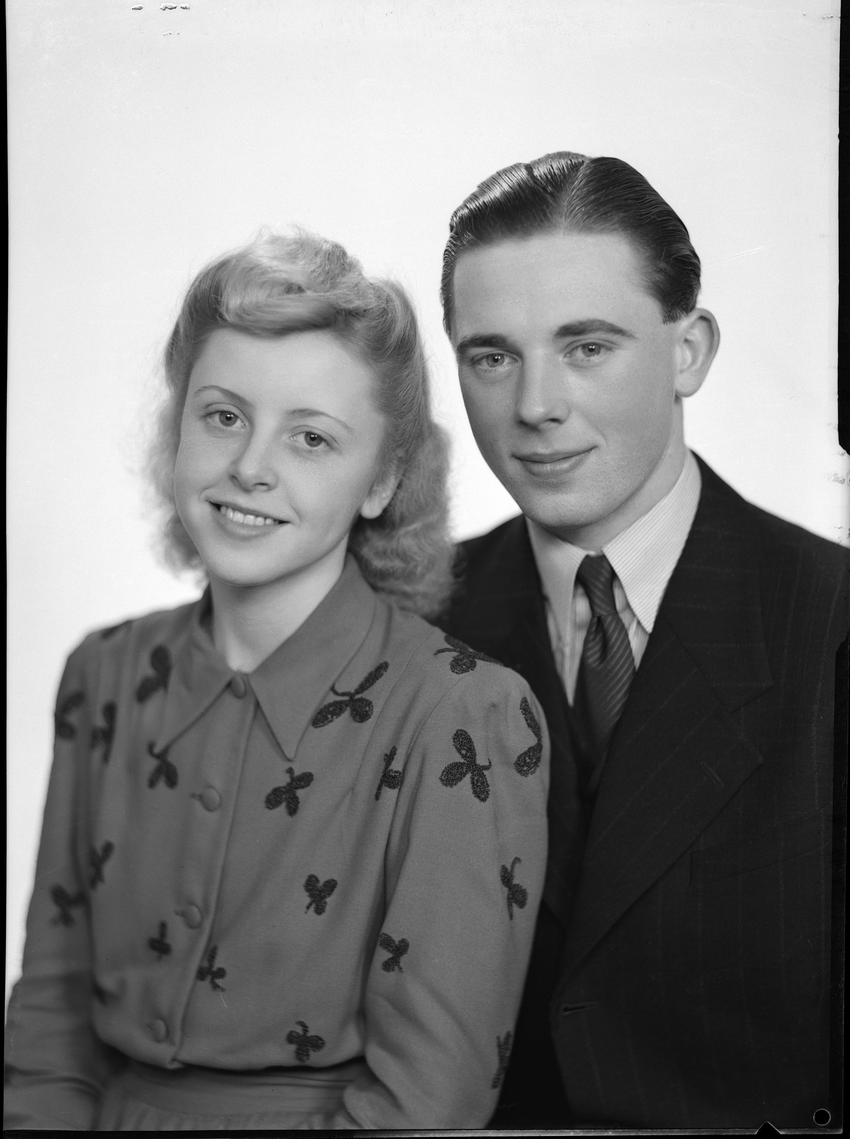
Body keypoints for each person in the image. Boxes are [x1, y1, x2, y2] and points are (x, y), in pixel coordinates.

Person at [4, 229, 549, 1130]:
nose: (251, 467)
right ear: (177, 427)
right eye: (223, 417)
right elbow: (50, 1022)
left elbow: (429, 1102)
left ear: (383, 480)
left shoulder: (460, 714)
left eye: (311, 438)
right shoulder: (102, 676)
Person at [438, 151, 849, 1131]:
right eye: (491, 356)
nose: (534, 404)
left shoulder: (831, 620)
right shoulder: (404, 623)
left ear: (688, 352)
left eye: (586, 346)